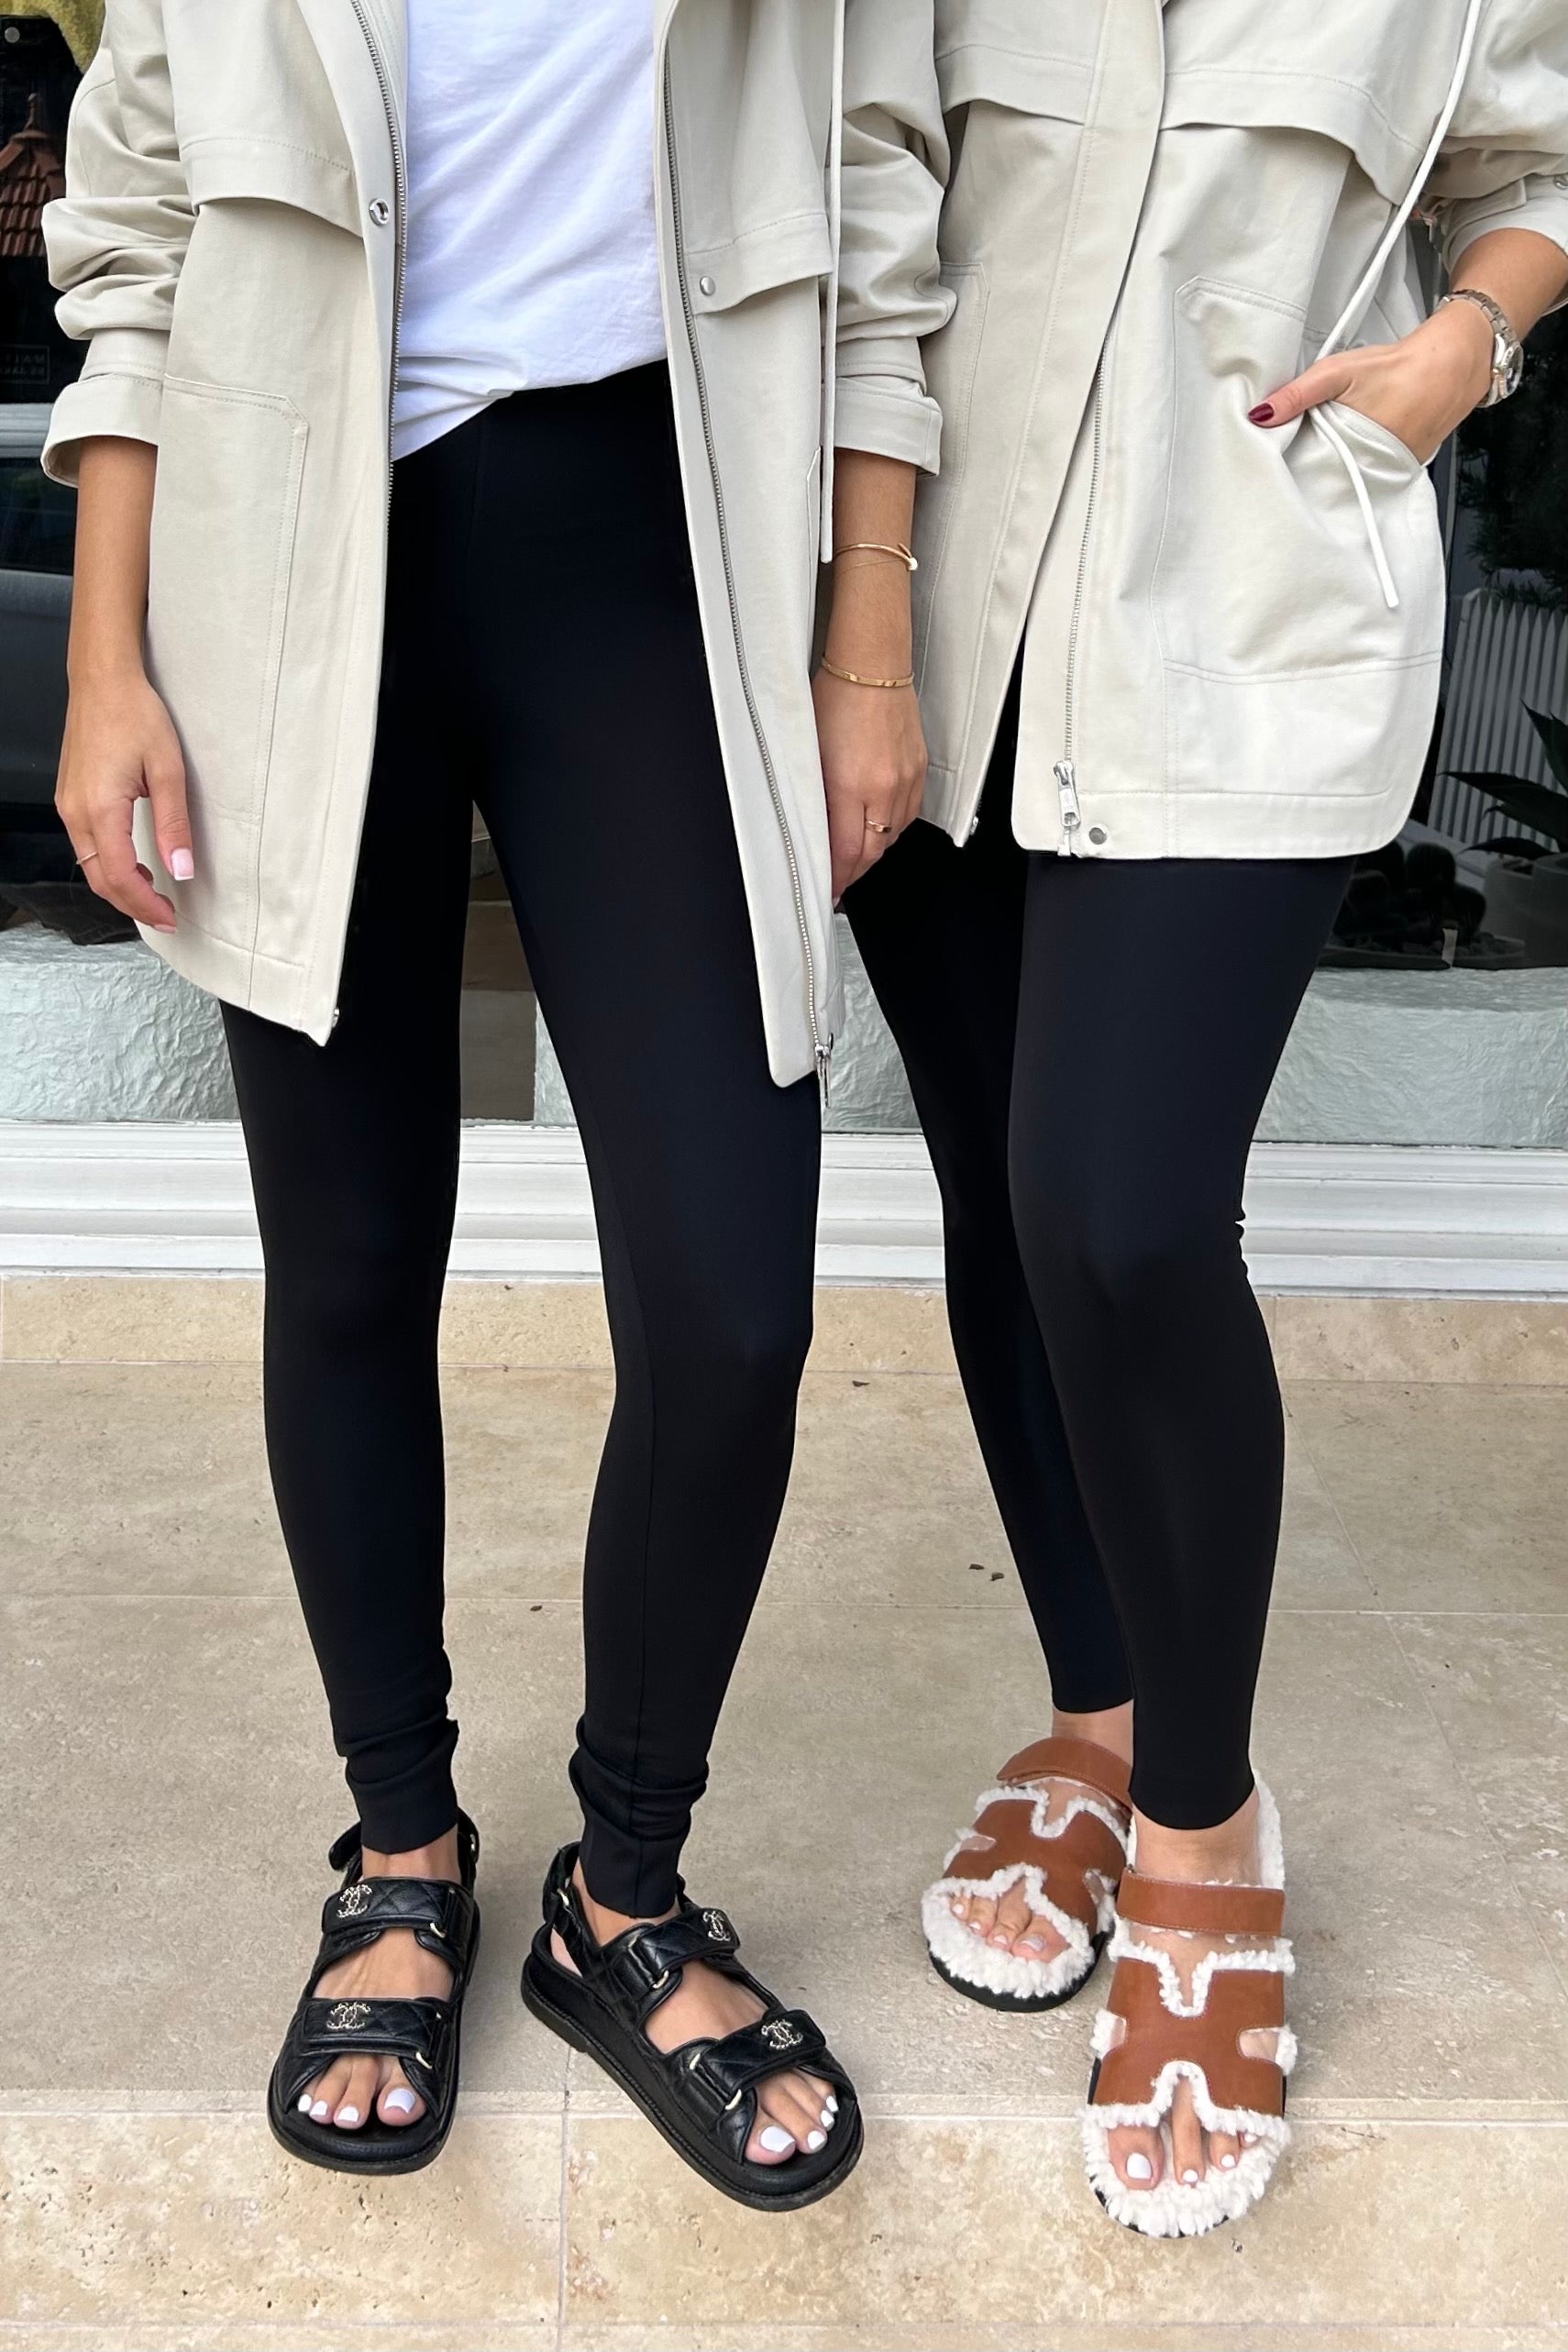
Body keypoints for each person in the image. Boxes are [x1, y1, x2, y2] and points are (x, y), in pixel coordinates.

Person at [41, 0, 933, 2208]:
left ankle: (623, 1887)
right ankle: (401, 1847)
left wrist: (867, 642)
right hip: (286, 561)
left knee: (732, 1300)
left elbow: (879, 207)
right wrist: (106, 657)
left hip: (655, 543)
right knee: (352, 1261)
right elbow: (142, 233)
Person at [819, 0, 1568, 2236]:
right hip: (935, 616)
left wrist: (1460, 353)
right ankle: (1097, 1711)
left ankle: (1204, 1821)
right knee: (1004, 1195)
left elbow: (1533, 172)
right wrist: (862, 634)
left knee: (1122, 1210)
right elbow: (868, 204)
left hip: (1250, 615)